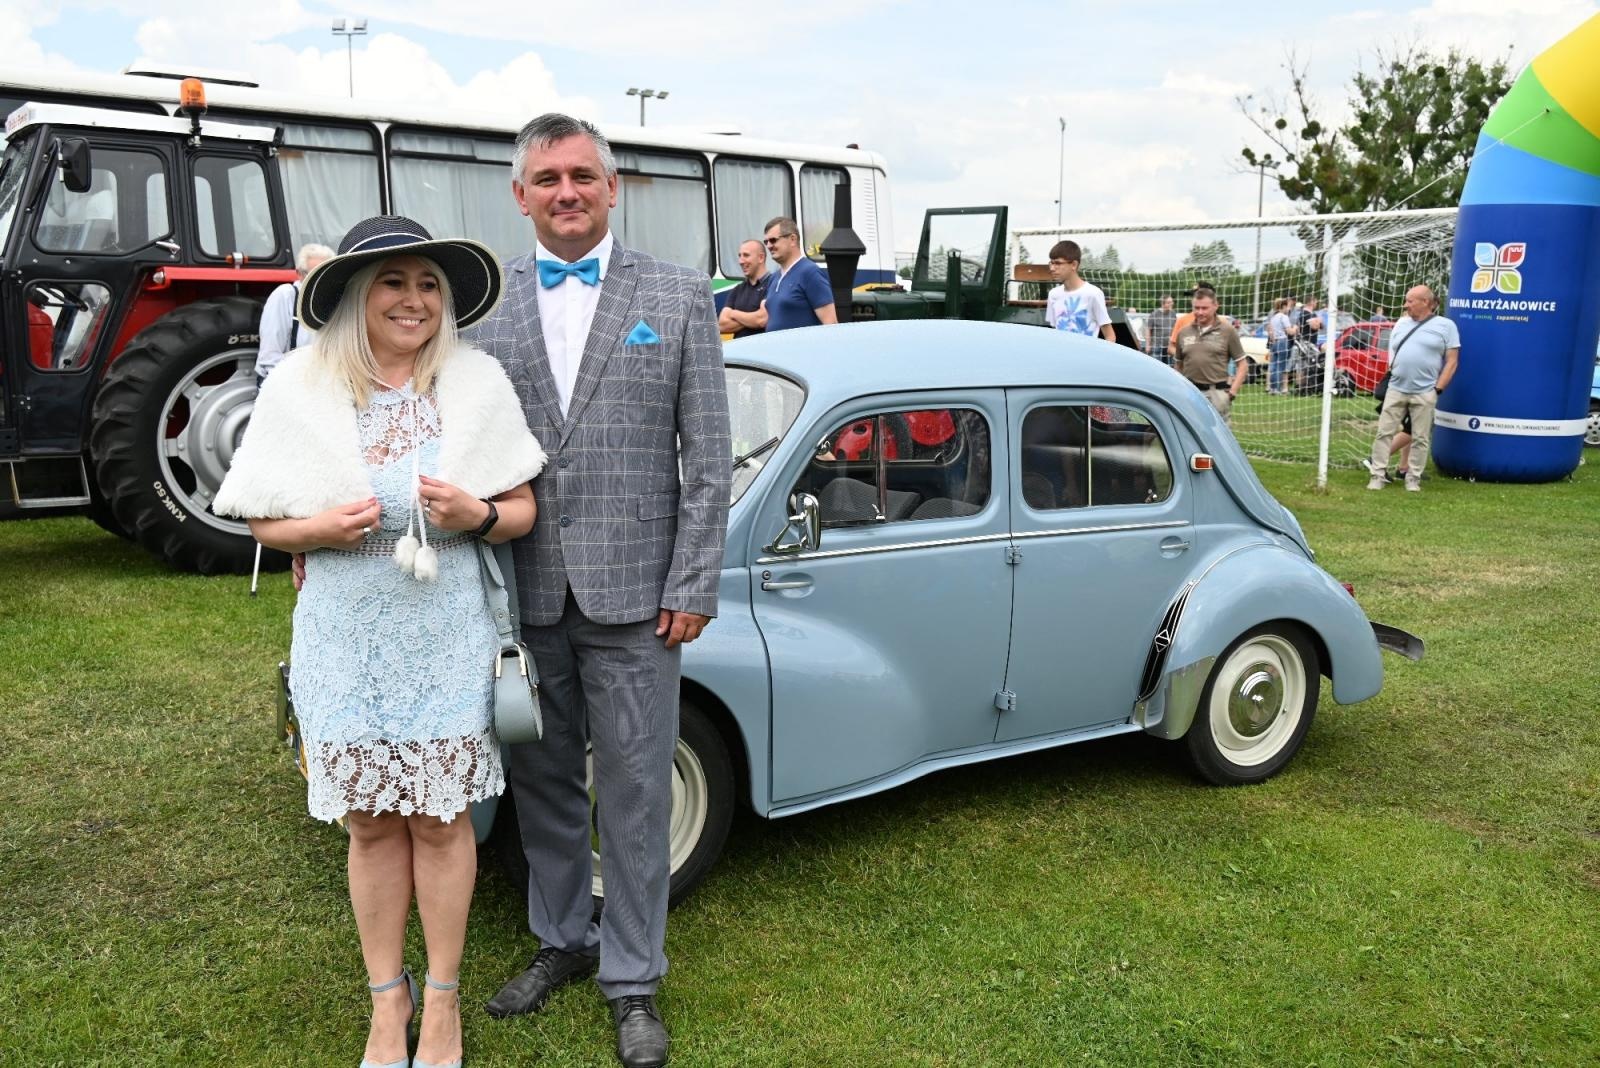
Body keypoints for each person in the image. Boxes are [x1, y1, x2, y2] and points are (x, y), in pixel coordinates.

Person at [214, 215, 546, 1068]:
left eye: (428, 284)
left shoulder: (476, 382)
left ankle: (440, 1005)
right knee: (369, 825)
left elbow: (523, 509)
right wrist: (316, 528)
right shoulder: (301, 383)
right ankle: (383, 1001)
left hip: (446, 638)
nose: (413, 300)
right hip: (346, 640)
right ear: (359, 295)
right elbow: (257, 512)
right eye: (394, 283)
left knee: (442, 824)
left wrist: (479, 515)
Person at [470, 112, 731, 1068]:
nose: (567, 192)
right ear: (521, 194)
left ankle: (633, 979)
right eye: (548, 179)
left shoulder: (676, 294)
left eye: (583, 174)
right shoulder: (486, 314)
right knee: (540, 782)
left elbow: (709, 457)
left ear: (612, 186)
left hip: (640, 601)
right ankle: (562, 941)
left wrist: (693, 578)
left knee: (631, 791)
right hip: (526, 595)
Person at [1368, 284, 1458, 492]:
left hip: (1425, 392)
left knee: (1420, 437)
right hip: (1396, 389)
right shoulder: (1401, 323)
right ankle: (1377, 475)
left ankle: (1413, 478)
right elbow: (1393, 354)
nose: (1405, 305)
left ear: (1425, 302)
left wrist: (1438, 389)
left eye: (1410, 301)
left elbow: (1452, 361)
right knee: (1384, 433)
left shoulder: (1446, 326)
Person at [255, 242, 334, 383]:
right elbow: (270, 356)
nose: (320, 281)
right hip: (282, 380)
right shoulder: (285, 296)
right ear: (299, 274)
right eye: (313, 274)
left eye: (325, 274)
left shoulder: (335, 302)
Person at [1173, 285, 1248, 423]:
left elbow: (1242, 364)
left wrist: (1232, 392)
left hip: (1217, 394)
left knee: (1219, 439)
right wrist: (1180, 390)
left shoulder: (1227, 331)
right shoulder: (1184, 332)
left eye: (1204, 308)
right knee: (1190, 434)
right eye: (1196, 308)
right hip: (1190, 393)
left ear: (1215, 306)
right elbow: (1178, 365)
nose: (1200, 312)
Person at [760, 215, 837, 331]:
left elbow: (831, 324)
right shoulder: (773, 278)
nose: (769, 246)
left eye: (773, 240)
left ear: (792, 239)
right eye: (766, 242)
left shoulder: (810, 273)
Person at [1044, 240, 1114, 341]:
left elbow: (1110, 336)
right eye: (1051, 263)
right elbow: (1055, 330)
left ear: (1074, 265)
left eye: (1058, 263)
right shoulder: (1053, 294)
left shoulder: (1093, 293)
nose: (1052, 268)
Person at [717, 238, 771, 338]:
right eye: (739, 256)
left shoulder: (773, 283)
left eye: (746, 255)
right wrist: (752, 318)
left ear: (761, 258)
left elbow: (762, 320)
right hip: (739, 352)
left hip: (762, 350)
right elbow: (722, 325)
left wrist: (733, 313)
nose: (740, 261)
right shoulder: (737, 290)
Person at [1267, 296, 1295, 395]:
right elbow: (1290, 332)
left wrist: (1273, 338)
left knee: (1273, 366)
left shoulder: (1273, 317)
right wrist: (1295, 328)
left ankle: (1272, 388)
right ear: (1283, 306)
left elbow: (1270, 330)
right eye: (1288, 306)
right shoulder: (1284, 317)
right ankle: (1278, 389)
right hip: (1282, 342)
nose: (1289, 309)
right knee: (1281, 366)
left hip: (1274, 343)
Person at [1145, 294, 1178, 363]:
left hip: (1169, 346)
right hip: (1157, 346)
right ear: (1163, 304)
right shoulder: (1154, 314)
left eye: (1172, 302)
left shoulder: (1173, 314)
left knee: (1170, 367)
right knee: (1156, 366)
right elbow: (1148, 330)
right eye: (1169, 302)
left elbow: (1175, 329)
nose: (1172, 304)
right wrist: (1148, 345)